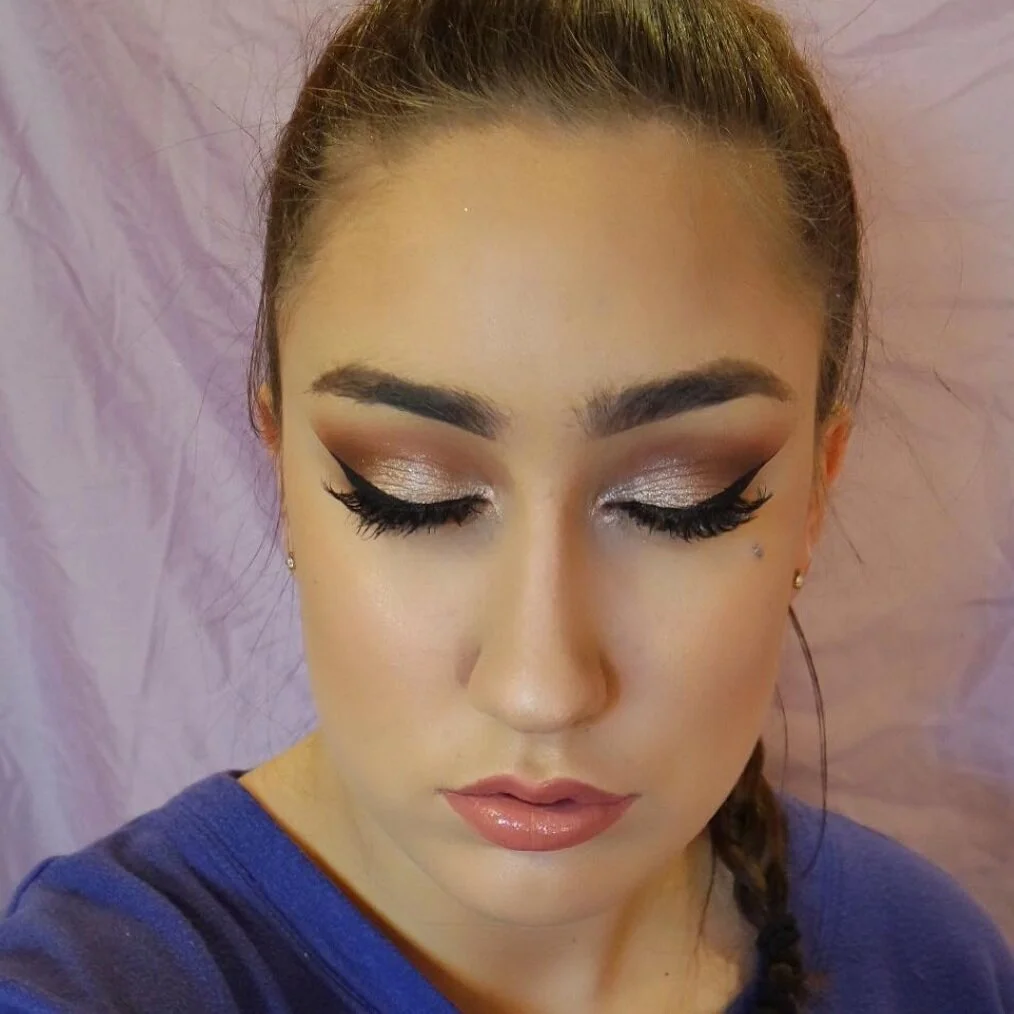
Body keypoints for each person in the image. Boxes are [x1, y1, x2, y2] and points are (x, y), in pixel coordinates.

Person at [2, 0, 1013, 1011]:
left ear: (816, 491)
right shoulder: (102, 981)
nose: (540, 687)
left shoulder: (930, 963)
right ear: (282, 468)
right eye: (413, 494)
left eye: (678, 501)